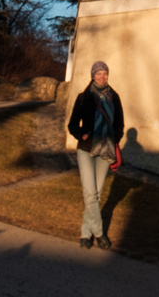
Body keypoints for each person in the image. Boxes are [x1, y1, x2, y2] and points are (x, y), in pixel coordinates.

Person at [67, 60, 124, 249]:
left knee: (96, 194)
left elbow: (119, 125)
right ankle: (99, 234)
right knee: (90, 192)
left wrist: (114, 138)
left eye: (105, 73)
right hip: (86, 148)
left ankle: (85, 234)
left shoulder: (114, 97)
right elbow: (72, 124)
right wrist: (80, 134)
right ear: (93, 75)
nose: (102, 76)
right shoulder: (84, 97)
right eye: (99, 73)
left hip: (105, 149)